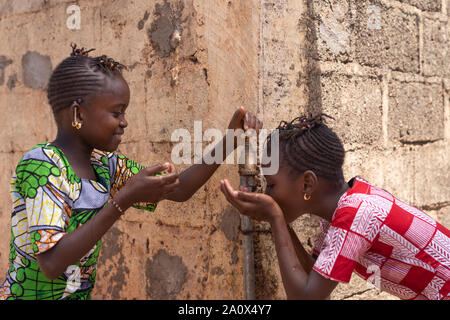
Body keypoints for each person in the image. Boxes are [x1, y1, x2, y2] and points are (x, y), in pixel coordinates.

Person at [0, 44, 262, 300]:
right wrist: (123, 200)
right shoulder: (42, 166)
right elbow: (52, 263)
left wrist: (230, 139)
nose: (124, 122)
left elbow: (180, 189)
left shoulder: (106, 165)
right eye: (117, 113)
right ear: (78, 113)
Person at [220, 114, 450, 300]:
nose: (268, 194)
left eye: (271, 184)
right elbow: (313, 273)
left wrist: (276, 218)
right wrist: (278, 220)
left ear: (307, 184)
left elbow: (306, 298)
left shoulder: (356, 215)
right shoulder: (342, 212)